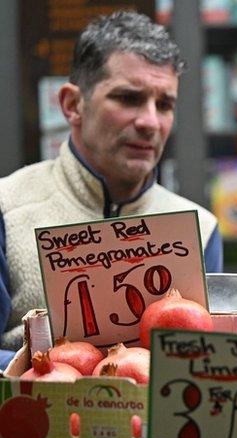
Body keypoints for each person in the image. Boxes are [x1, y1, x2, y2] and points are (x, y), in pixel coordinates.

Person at [0, 11, 222, 367]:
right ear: (73, 105)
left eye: (164, 104)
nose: (150, 122)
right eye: (129, 98)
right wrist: (48, 369)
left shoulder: (201, 229)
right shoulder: (6, 208)